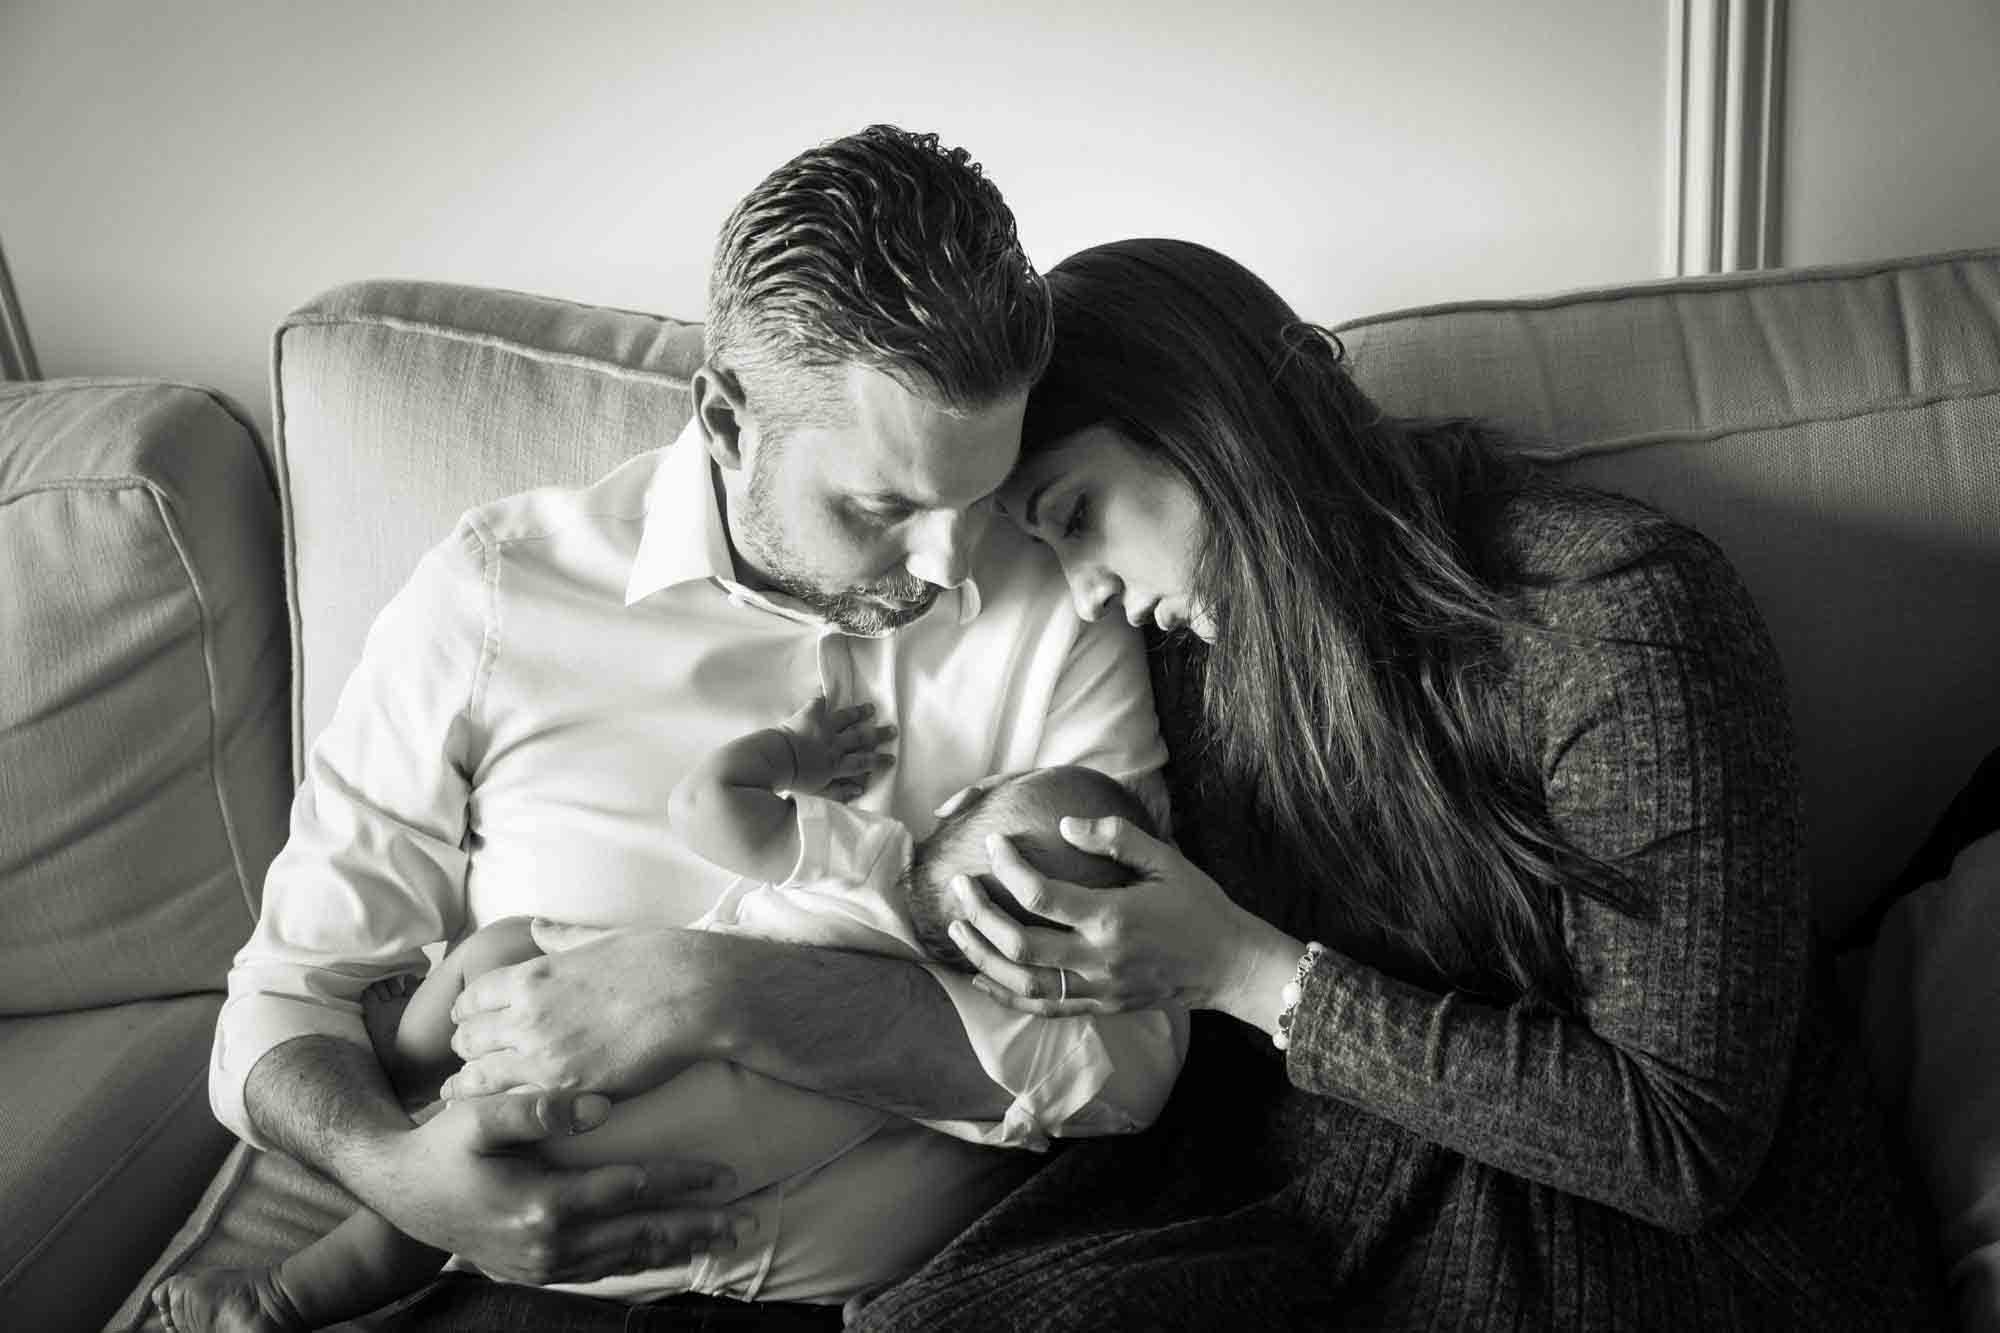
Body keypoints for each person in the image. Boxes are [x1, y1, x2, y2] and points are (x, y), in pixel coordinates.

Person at [852, 238, 1949, 1330]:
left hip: (1668, 1255)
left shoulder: (1614, 616)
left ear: (1210, 423)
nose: (1088, 594)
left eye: (1076, 516)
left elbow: (1680, 1138)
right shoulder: (1204, 656)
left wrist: (1244, 969)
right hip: (1326, 1189)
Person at [207, 127, 1175, 1331]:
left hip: (910, 1299)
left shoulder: (1060, 607)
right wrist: (395, 1175)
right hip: (518, 1292)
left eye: (973, 496)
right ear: (723, 419)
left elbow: (1133, 1065)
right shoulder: (498, 592)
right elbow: (286, 997)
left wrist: (718, 991)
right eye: (880, 505)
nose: (946, 562)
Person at [160, 698, 1175, 1332]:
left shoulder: (904, 915)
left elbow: (708, 805)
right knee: (499, 997)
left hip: (650, 1082)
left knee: (504, 1032)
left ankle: (302, 1262)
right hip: (661, 1077)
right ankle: (356, 1160)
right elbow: (706, 807)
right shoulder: (931, 929)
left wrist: (792, 760)